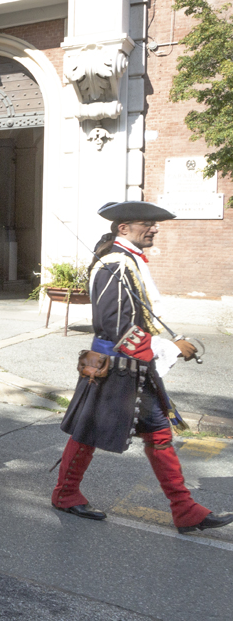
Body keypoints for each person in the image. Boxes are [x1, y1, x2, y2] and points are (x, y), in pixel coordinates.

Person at [53, 201, 232, 534]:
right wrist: (170, 348)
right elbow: (113, 325)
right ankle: (67, 493)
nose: (154, 228)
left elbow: (133, 320)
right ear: (123, 228)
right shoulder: (115, 264)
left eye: (155, 223)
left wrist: (167, 345)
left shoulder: (127, 261)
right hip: (116, 365)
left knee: (149, 432)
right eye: (146, 223)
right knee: (96, 431)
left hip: (128, 365)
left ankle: (184, 509)